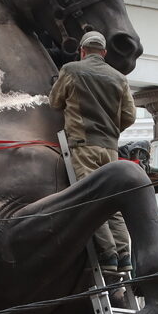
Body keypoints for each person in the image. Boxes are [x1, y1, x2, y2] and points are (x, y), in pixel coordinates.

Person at [49, 30, 136, 286]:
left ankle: (108, 254)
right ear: (105, 53)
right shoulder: (119, 78)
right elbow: (129, 116)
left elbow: (55, 101)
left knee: (90, 201)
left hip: (82, 145)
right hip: (109, 149)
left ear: (82, 51)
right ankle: (124, 255)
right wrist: (110, 131)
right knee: (114, 205)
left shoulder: (71, 69)